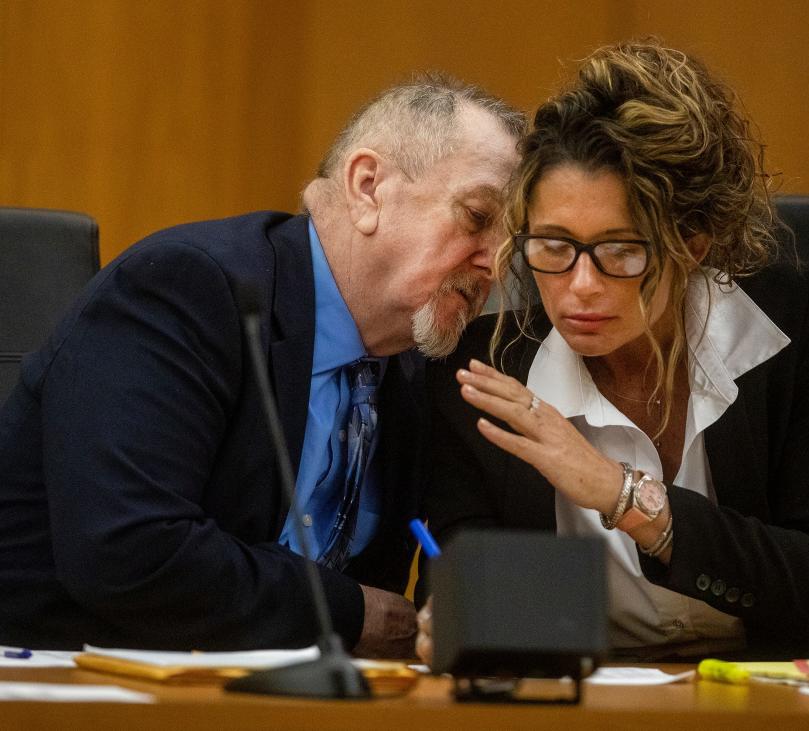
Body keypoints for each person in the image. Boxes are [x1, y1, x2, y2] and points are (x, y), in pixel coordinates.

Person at [0, 74, 523, 655]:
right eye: (478, 218)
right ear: (368, 187)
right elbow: (129, 551)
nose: (494, 266)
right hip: (64, 679)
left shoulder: (417, 363)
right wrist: (350, 613)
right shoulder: (186, 289)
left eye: (510, 242)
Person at [416, 41, 809, 662]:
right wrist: (459, 615)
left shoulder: (790, 328)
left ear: (690, 244)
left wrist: (627, 500)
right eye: (554, 247)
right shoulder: (485, 369)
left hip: (768, 697)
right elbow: (458, 585)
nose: (580, 286)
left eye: (620, 250)